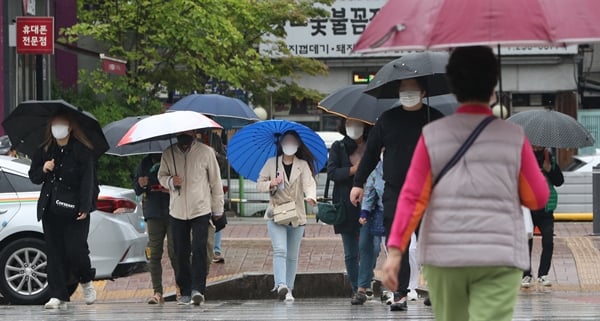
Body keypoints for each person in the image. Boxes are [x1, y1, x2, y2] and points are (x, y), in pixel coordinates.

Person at [382, 46, 550, 321]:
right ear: (492, 88)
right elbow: (537, 198)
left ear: (454, 89)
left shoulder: (433, 135)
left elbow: (413, 197)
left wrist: (395, 250)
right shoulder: (513, 136)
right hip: (499, 254)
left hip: (445, 254)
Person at [350, 76, 445, 311]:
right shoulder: (387, 119)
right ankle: (400, 294)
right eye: (403, 89)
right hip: (395, 190)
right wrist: (358, 183)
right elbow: (371, 154)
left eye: (412, 89)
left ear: (423, 92)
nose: (407, 92)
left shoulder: (435, 119)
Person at [28, 113, 99, 309]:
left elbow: (89, 181)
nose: (57, 128)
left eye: (61, 124)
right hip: (51, 209)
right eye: (54, 124)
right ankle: (57, 295)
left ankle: (86, 281)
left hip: (75, 209)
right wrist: (44, 168)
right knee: (54, 252)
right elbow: (33, 176)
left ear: (70, 127)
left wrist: (85, 206)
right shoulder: (45, 150)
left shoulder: (81, 151)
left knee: (76, 250)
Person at [158, 130, 224, 306]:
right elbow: (161, 176)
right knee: (180, 252)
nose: (184, 135)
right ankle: (185, 290)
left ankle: (198, 290)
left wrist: (218, 209)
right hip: (177, 210)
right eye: (181, 133)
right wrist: (171, 181)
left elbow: (215, 182)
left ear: (194, 133)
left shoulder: (206, 152)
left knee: (199, 248)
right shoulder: (168, 153)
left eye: (188, 132)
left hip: (201, 209)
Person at [257, 130, 317, 302]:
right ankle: (281, 284)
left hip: (296, 216)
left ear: (298, 145)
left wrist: (311, 196)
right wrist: (271, 183)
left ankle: (289, 289)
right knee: (280, 250)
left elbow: (309, 183)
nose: (289, 145)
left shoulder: (303, 165)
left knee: (292, 255)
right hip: (276, 214)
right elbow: (259, 184)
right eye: (286, 141)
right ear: (281, 144)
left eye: (293, 142)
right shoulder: (271, 163)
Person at [327, 119, 370, 304]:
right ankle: (357, 289)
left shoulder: (373, 146)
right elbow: (332, 173)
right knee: (351, 252)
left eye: (358, 123)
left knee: (370, 248)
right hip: (345, 205)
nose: (354, 127)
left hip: (369, 204)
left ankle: (365, 284)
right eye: (349, 123)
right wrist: (354, 170)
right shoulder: (339, 146)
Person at [134, 153, 178, 304]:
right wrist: (141, 184)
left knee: (175, 252)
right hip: (153, 212)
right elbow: (137, 190)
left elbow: (183, 183)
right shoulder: (145, 162)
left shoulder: (173, 158)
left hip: (173, 211)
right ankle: (157, 292)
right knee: (154, 253)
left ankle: (181, 288)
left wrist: (173, 186)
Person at [522, 146, 564, 288]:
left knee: (548, 242)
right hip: (529, 208)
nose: (537, 146)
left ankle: (543, 274)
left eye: (539, 144)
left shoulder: (549, 159)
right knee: (526, 242)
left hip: (546, 208)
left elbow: (559, 181)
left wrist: (549, 170)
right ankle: (526, 274)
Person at [354, 155, 385, 305]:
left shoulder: (404, 164)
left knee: (392, 250)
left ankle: (396, 289)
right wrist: (364, 212)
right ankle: (361, 289)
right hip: (377, 212)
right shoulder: (376, 169)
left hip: (399, 213)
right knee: (366, 246)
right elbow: (370, 191)